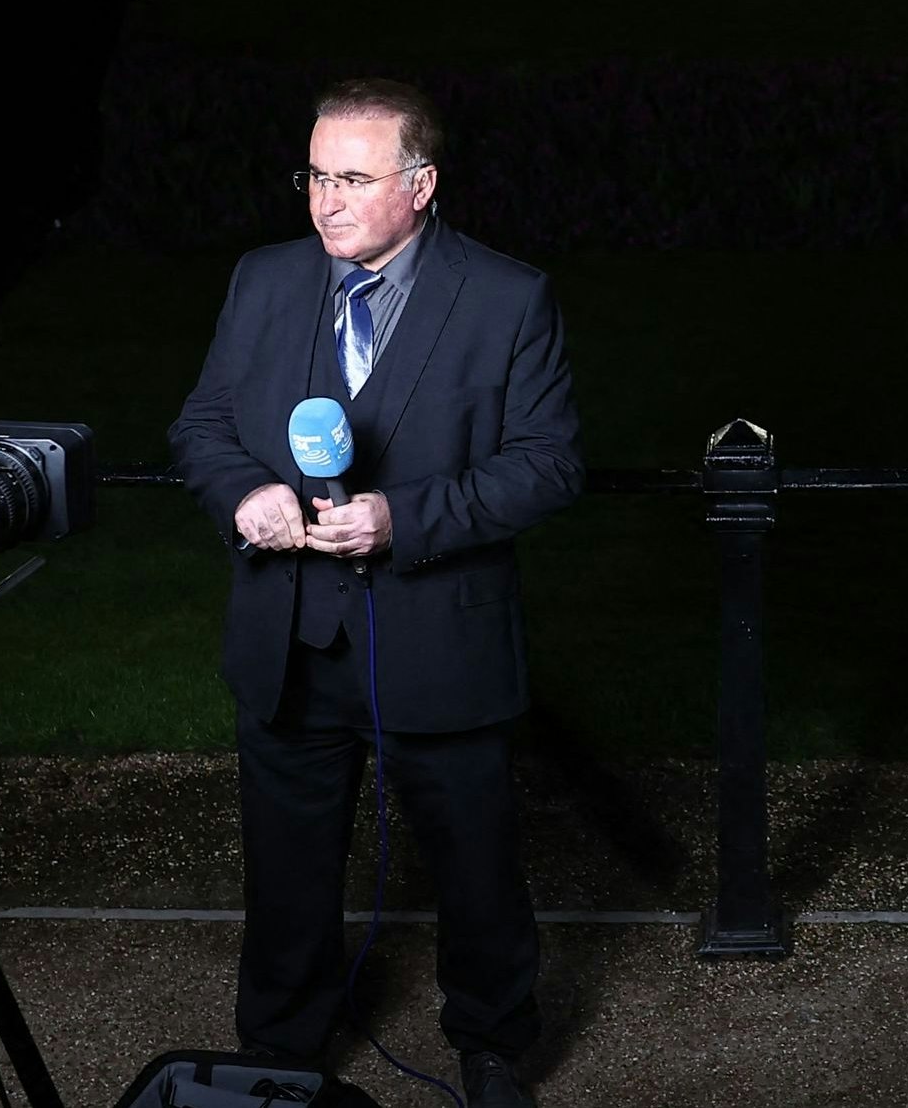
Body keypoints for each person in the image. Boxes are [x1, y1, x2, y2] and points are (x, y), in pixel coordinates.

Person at [169, 78, 583, 1107]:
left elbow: (546, 465)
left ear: (422, 184)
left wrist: (403, 521)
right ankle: (278, 1052)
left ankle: (492, 1045)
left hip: (436, 639)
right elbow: (201, 429)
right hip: (288, 638)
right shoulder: (262, 281)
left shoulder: (506, 297)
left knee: (476, 872)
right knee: (288, 871)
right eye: (314, 174)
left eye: (353, 177)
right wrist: (246, 495)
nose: (325, 200)